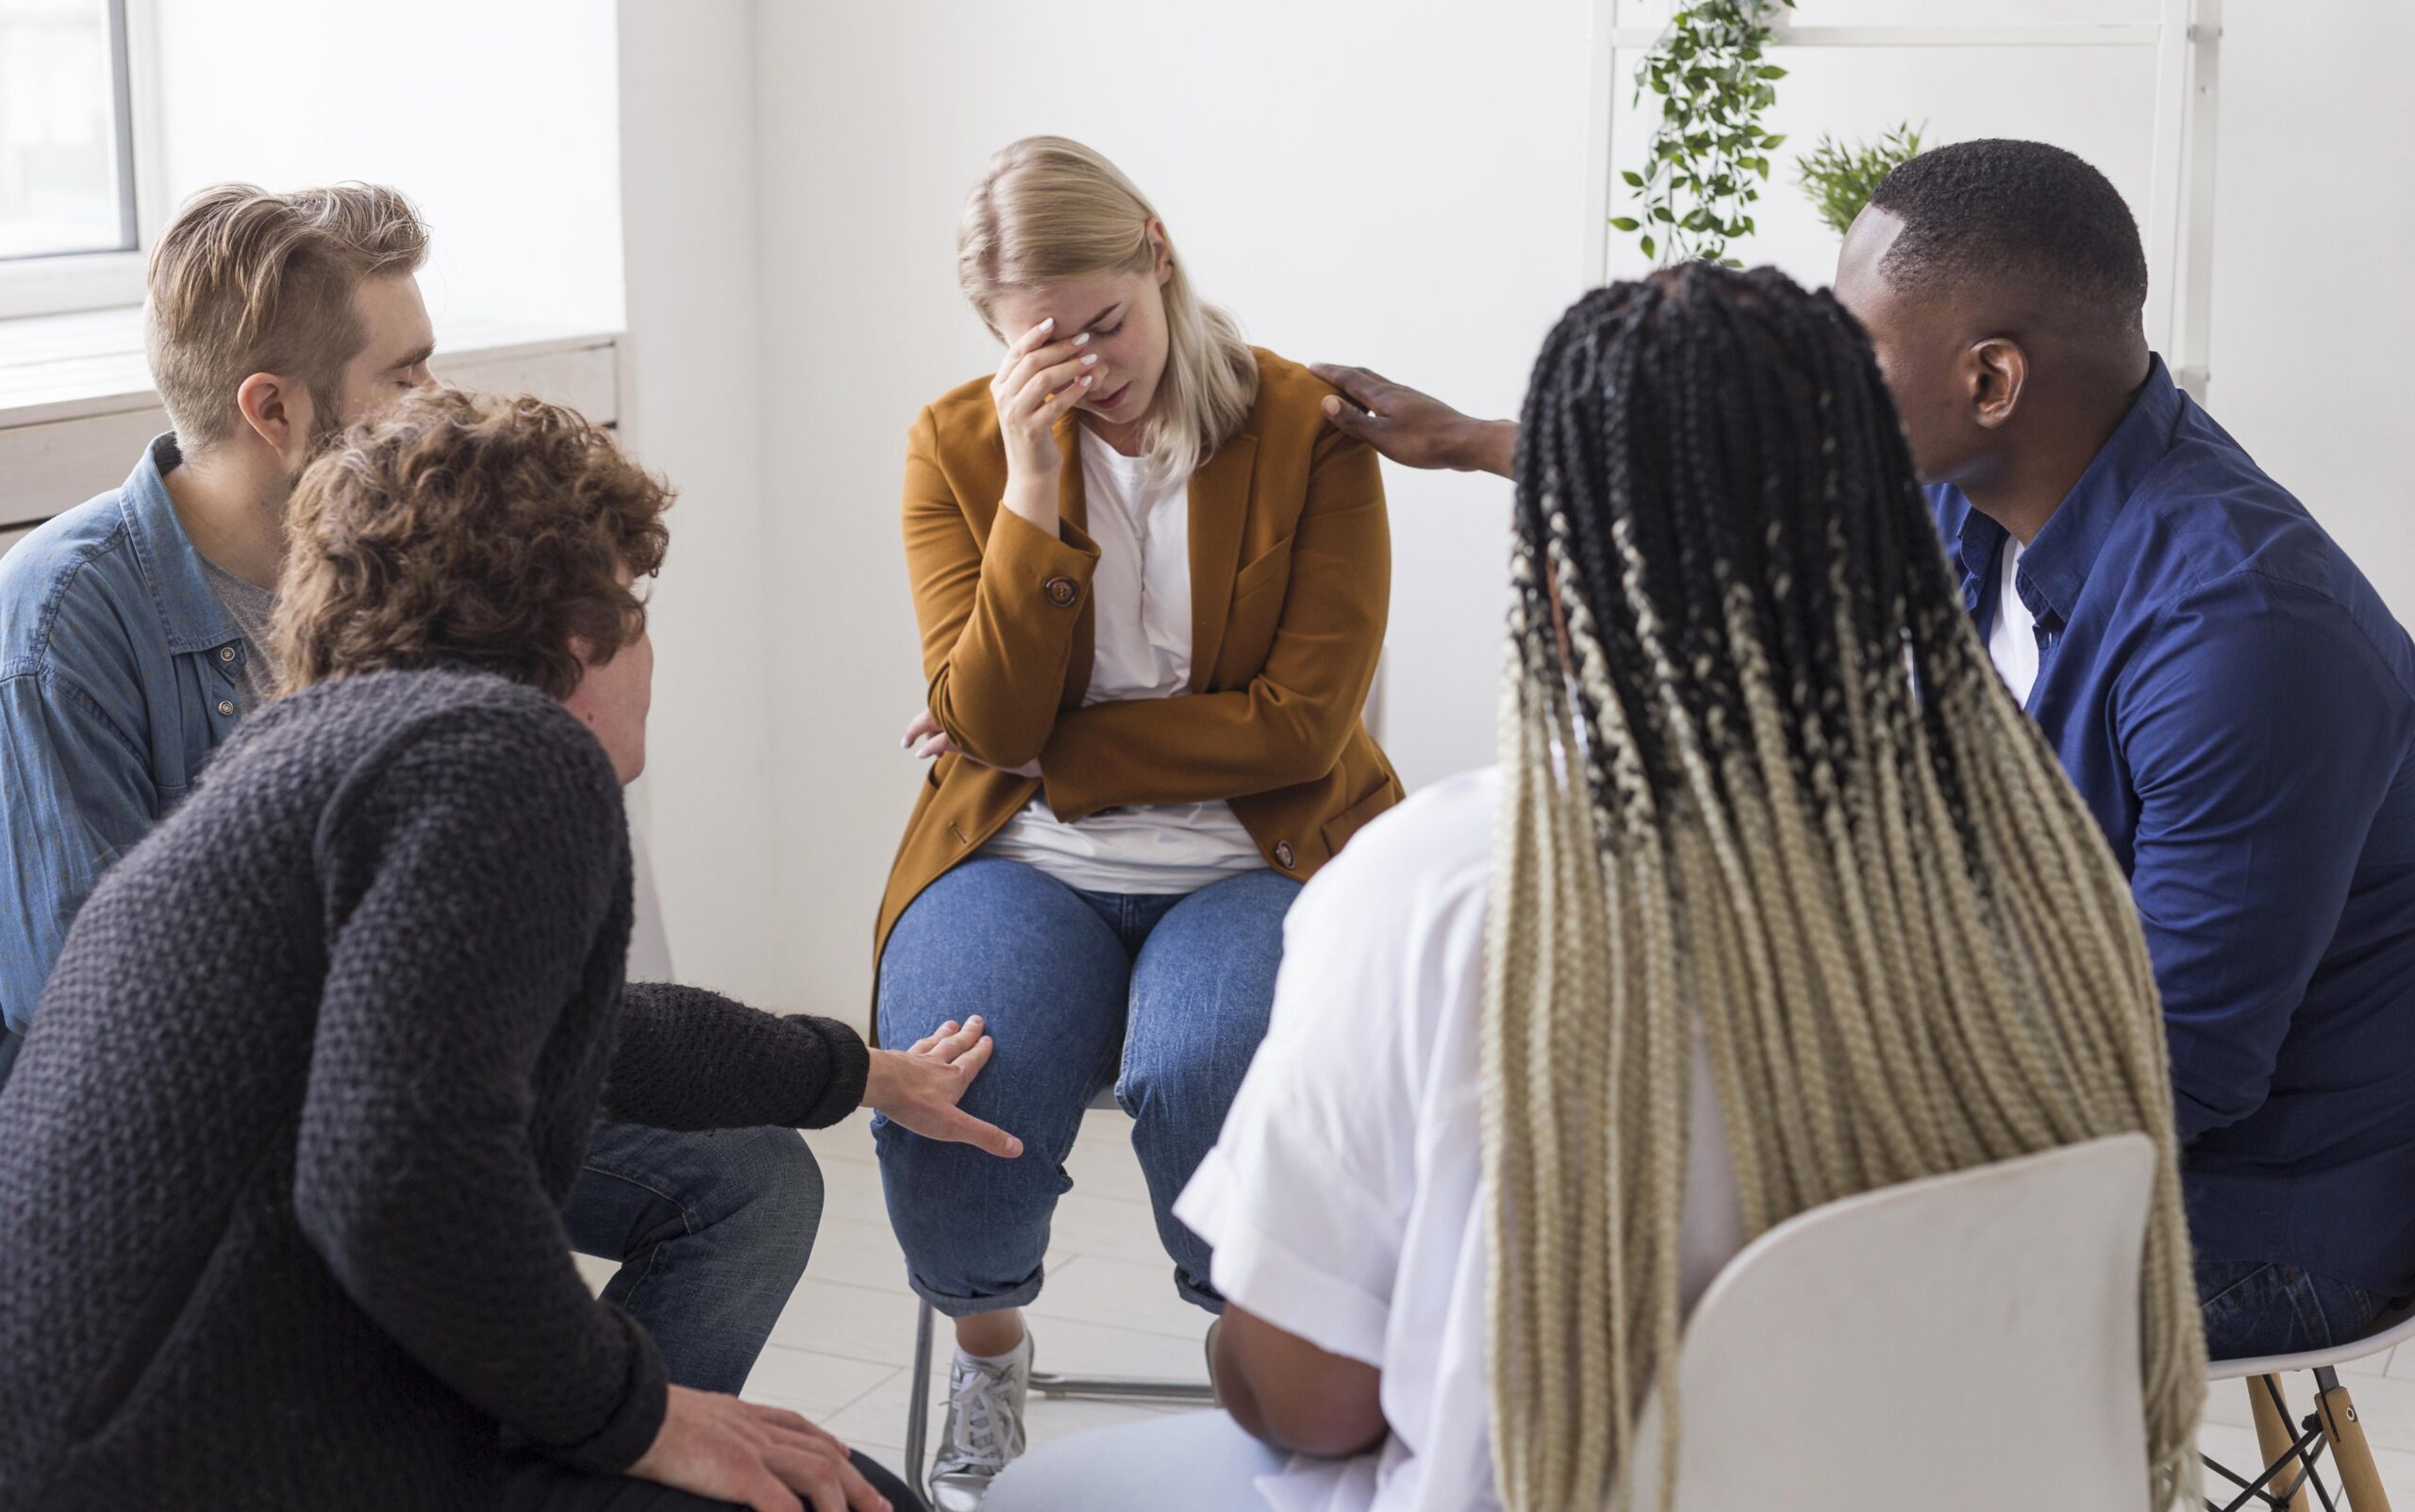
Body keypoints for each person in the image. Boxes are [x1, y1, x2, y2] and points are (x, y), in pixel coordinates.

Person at [984, 264, 2205, 1512]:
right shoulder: (2045, 854)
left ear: (1559, 577)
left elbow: (1312, 1398)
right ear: (1877, 528)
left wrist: (1256, 1321)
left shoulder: (1446, 890)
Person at [1314, 140, 2415, 1366]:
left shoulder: (2243, 634)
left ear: (1990, 376)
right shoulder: (1978, 486)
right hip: (2052, 1104)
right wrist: (1474, 439)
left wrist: (1798, 1109)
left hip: (2249, 1213)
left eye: (1855, 350)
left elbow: (2170, 1069)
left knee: (1645, 1268)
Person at [0, 386, 1023, 1511]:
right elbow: (394, 1179)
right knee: (846, 1493)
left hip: (121, 1438)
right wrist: (632, 1412)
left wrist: (858, 1071)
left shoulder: (301, 768)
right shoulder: (506, 752)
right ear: (577, 626)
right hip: (217, 1453)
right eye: (633, 599)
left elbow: (611, 1038)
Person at [0, 183, 830, 1394]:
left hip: (393, 1062)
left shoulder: (400, 565)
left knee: (751, 1183)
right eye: (406, 372)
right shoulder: (66, 619)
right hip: (206, 1145)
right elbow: (80, 1001)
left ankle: (589, 1461)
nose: (437, 405)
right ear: (273, 410)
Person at [875, 136, 1401, 1504]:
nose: (1090, 366)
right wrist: (1036, 487)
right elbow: (989, 727)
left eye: (1106, 324)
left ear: (1157, 250)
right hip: (1014, 855)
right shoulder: (958, 443)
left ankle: (1264, 1370)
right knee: (951, 1091)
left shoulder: (1307, 429)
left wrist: (1062, 747)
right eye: (1044, 349)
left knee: (1211, 1069)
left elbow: (1300, 726)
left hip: (1259, 855)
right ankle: (989, 1352)